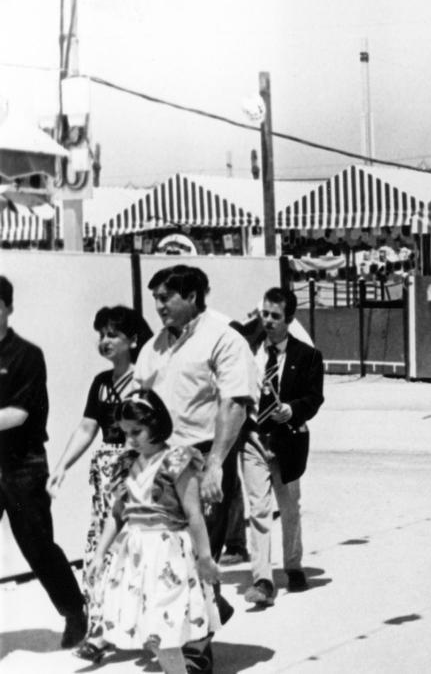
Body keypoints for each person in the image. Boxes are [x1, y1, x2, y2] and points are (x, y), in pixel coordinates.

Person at [134, 265, 257, 672]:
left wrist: (217, 465)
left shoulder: (223, 338)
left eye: (166, 297)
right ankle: (210, 608)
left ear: (192, 296)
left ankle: (196, 654)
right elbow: (141, 402)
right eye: (155, 297)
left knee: (198, 555)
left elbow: (234, 404)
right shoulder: (154, 347)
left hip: (204, 456)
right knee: (168, 560)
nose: (159, 306)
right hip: (159, 462)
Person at [45, 306, 152, 660]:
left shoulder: (146, 379)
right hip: (105, 480)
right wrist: (62, 466)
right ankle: (101, 631)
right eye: (101, 334)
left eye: (113, 335)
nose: (104, 341)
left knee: (142, 552)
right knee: (100, 551)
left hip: (140, 474)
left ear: (132, 340)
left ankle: (157, 630)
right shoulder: (101, 383)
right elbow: (88, 427)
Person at [90, 389, 221, 673]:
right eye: (125, 432)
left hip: (168, 554)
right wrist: (100, 553)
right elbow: (117, 514)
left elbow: (194, 514)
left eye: (136, 431)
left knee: (165, 629)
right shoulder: (126, 464)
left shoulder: (177, 459)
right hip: (137, 556)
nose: (130, 439)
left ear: (156, 423)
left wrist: (205, 557)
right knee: (151, 630)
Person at [0, 276, 88, 649]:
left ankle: (74, 612)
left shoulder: (26, 355)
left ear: (8, 308)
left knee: (37, 546)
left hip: (23, 464)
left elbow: (17, 414)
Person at [241, 288, 325, 607]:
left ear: (289, 319)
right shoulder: (249, 352)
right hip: (255, 441)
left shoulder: (307, 356)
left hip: (288, 441)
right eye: (265, 314)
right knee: (259, 509)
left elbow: (314, 398)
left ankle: (293, 565)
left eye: (276, 316)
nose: (269, 321)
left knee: (289, 507)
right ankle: (263, 578)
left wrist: (291, 410)